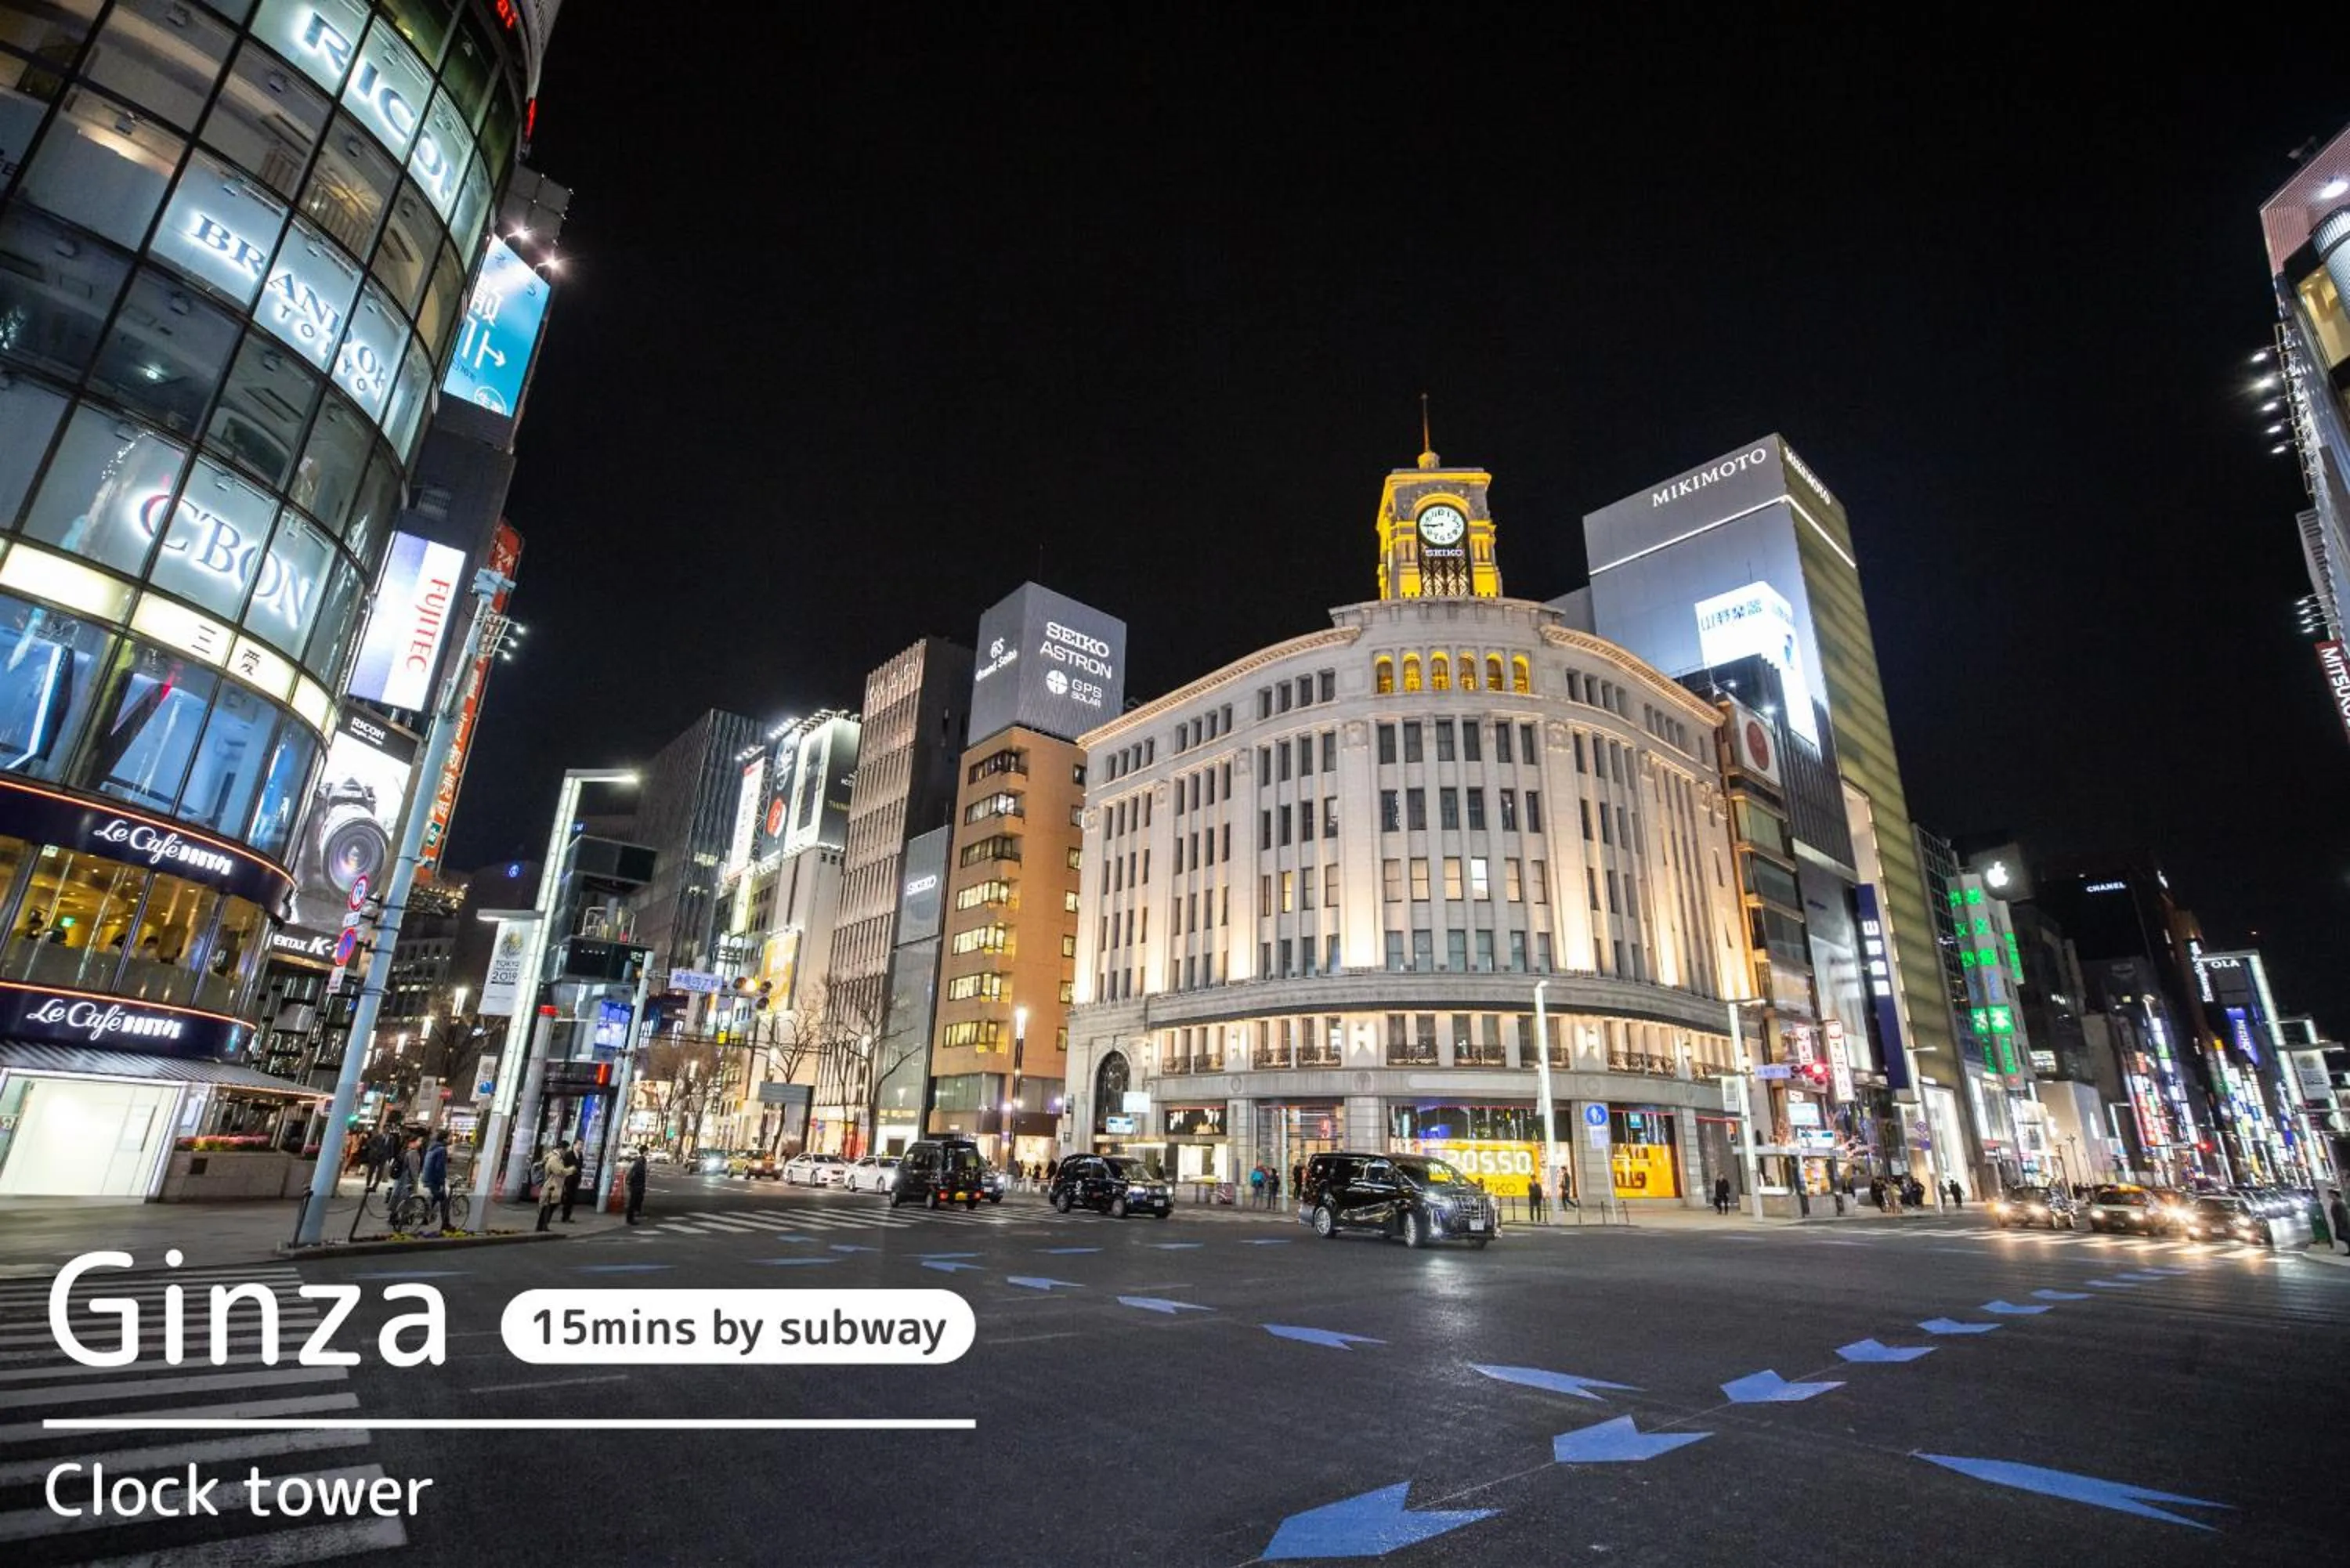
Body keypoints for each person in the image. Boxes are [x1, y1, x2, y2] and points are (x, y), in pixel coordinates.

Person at [535, 1143, 570, 1233]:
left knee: (549, 1205)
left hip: (554, 1184)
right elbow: (559, 1171)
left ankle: (543, 1225)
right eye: (565, 1150)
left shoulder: (554, 1157)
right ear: (561, 1149)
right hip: (552, 1185)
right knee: (548, 1206)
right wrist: (571, 1170)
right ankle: (543, 1226)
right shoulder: (555, 1158)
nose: (566, 1152)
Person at [421, 1131, 450, 1231]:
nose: (451, 1139)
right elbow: (439, 1167)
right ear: (445, 1139)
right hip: (434, 1179)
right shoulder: (442, 1150)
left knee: (435, 1198)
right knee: (444, 1201)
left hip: (427, 1177)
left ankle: (425, 1218)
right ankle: (446, 1224)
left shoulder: (432, 1147)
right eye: (450, 1137)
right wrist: (442, 1181)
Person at [560, 1140, 584, 1223]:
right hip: (568, 1179)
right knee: (567, 1197)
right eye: (579, 1144)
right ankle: (564, 1216)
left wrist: (580, 1178)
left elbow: (580, 1167)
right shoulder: (569, 1154)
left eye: (582, 1145)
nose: (580, 1146)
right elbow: (565, 1166)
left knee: (572, 1198)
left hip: (576, 1179)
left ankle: (567, 1216)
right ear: (574, 1145)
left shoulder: (580, 1155)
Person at [626, 1147, 649, 1226]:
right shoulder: (641, 1160)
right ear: (644, 1151)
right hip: (637, 1184)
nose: (648, 1152)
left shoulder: (641, 1160)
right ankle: (630, 1219)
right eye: (647, 1151)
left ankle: (633, 1216)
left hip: (637, 1184)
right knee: (633, 1202)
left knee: (637, 1200)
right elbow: (637, 1172)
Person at [2329, 1188, 2348, 1255]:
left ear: (2335, 1195)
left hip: (2342, 1223)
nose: (2330, 1196)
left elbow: (2343, 1214)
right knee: (2342, 1236)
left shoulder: (2339, 1203)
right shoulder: (2335, 1202)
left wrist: (2342, 1223)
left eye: (2331, 1194)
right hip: (2339, 1223)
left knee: (2345, 1236)